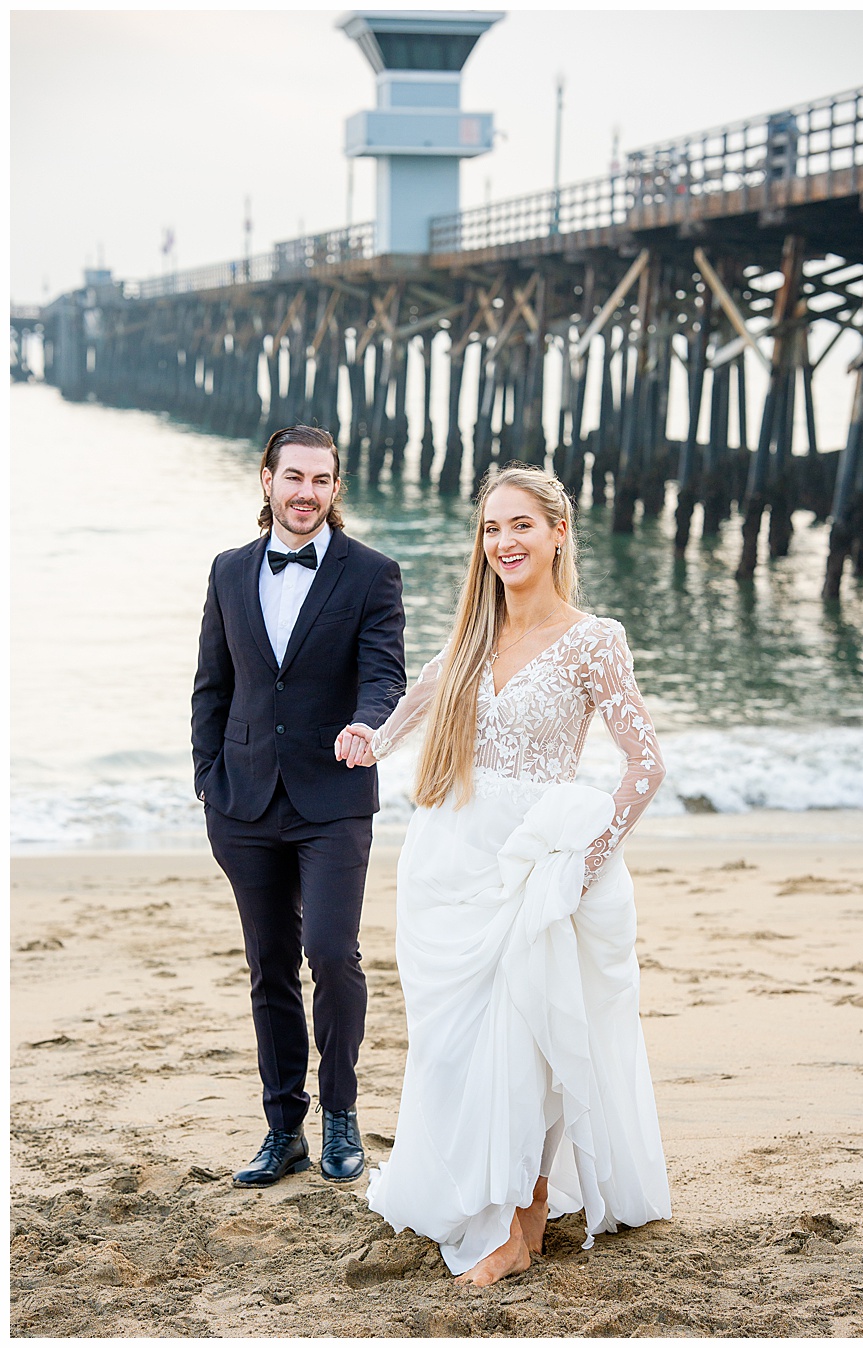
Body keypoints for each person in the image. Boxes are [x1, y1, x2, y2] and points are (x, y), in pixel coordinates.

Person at [336, 464, 670, 1287]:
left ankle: (521, 1227)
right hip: (450, 858)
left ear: (559, 533)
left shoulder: (596, 639)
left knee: (530, 1041)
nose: (504, 542)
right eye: (491, 529)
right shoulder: (472, 634)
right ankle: (479, 1197)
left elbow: (645, 763)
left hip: (536, 862)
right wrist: (368, 739)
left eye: (521, 525)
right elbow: (414, 705)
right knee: (455, 1048)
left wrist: (585, 860)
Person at [191, 424, 406, 1188]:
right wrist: (207, 780)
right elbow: (212, 688)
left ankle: (341, 1116)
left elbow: (386, 675)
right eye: (295, 478)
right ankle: (282, 1128)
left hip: (334, 796)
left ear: (336, 489)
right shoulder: (227, 571)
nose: (307, 492)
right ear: (267, 481)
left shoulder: (373, 574)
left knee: (333, 955)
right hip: (243, 802)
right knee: (270, 964)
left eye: (322, 480)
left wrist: (367, 723)